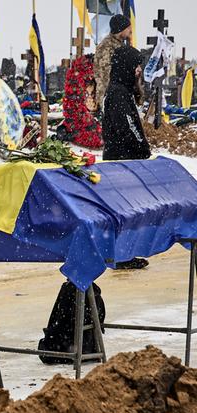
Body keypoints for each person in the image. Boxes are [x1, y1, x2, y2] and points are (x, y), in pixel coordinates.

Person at [102, 45, 151, 270]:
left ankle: (123, 254)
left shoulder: (122, 90)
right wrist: (142, 148)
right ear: (127, 67)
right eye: (136, 66)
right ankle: (121, 255)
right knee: (123, 210)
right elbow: (127, 127)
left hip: (123, 159)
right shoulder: (118, 93)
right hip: (122, 160)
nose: (139, 71)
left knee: (125, 210)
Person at [94, 14, 133, 111]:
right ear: (121, 29)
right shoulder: (107, 46)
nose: (130, 31)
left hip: (119, 94)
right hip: (110, 96)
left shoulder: (119, 45)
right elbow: (103, 74)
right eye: (128, 28)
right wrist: (106, 98)